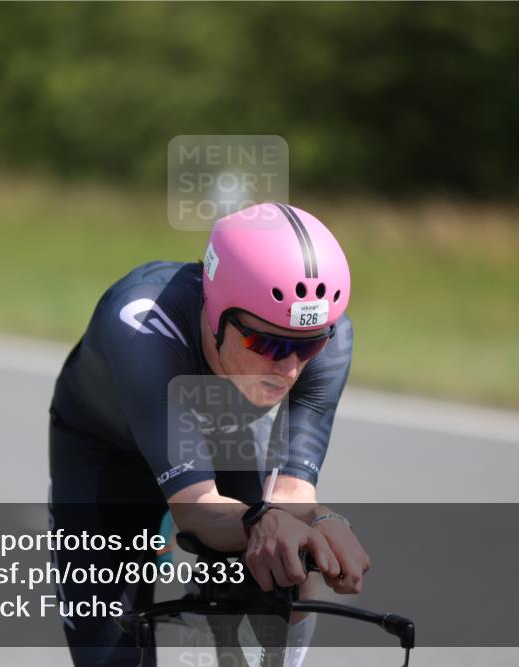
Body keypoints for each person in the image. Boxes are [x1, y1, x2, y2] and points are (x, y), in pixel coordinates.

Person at [48, 202, 371, 666]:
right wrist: (267, 520)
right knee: (111, 654)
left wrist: (318, 523)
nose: (290, 369)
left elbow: (292, 495)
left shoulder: (333, 339)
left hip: (222, 432)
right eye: (267, 343)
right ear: (216, 313)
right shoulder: (141, 324)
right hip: (107, 450)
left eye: (308, 344)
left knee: (287, 569)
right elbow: (197, 509)